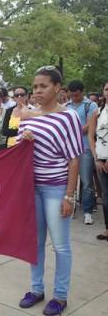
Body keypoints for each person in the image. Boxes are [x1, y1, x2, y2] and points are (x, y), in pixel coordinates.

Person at [17, 66, 83, 316]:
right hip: (31, 188)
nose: (37, 91)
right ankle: (36, 289)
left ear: (57, 88)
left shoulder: (68, 117)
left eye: (43, 86)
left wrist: (69, 195)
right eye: (35, 87)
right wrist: (24, 141)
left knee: (61, 245)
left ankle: (60, 296)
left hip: (56, 189)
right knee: (35, 243)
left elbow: (74, 159)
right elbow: (18, 151)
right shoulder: (27, 114)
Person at [66, 80, 98, 225]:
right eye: (72, 95)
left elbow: (89, 126)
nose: (74, 97)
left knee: (86, 182)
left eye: (77, 95)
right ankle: (70, 207)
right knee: (69, 180)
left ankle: (87, 211)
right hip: (69, 149)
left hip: (85, 148)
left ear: (82, 92)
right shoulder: (66, 106)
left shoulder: (90, 105)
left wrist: (72, 130)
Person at [88, 81, 108, 241]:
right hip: (100, 160)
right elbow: (90, 135)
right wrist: (96, 157)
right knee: (106, 197)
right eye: (107, 89)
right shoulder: (98, 112)